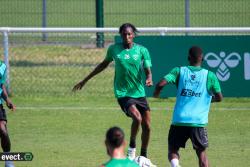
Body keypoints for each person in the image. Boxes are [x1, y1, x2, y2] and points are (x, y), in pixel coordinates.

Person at [73, 23, 153, 159]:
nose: (127, 36)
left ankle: (144, 156)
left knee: (147, 126)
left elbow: (148, 71)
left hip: (139, 92)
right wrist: (85, 80)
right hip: (123, 93)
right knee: (137, 118)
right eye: (124, 34)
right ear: (120, 35)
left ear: (133, 35)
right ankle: (132, 147)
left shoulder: (142, 50)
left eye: (129, 34)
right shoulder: (114, 49)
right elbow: (103, 65)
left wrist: (149, 78)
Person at [153, 46, 223, 167]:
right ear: (203, 59)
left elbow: (160, 84)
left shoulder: (179, 71)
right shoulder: (210, 75)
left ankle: (176, 165)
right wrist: (206, 99)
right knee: (201, 154)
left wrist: (156, 94)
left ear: (188, 58)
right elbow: (220, 97)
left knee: (173, 150)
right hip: (198, 122)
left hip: (179, 120)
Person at [0, 61, 16, 167]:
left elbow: (1, 86)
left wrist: (7, 99)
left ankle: (8, 160)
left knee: (2, 129)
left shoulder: (2, 66)